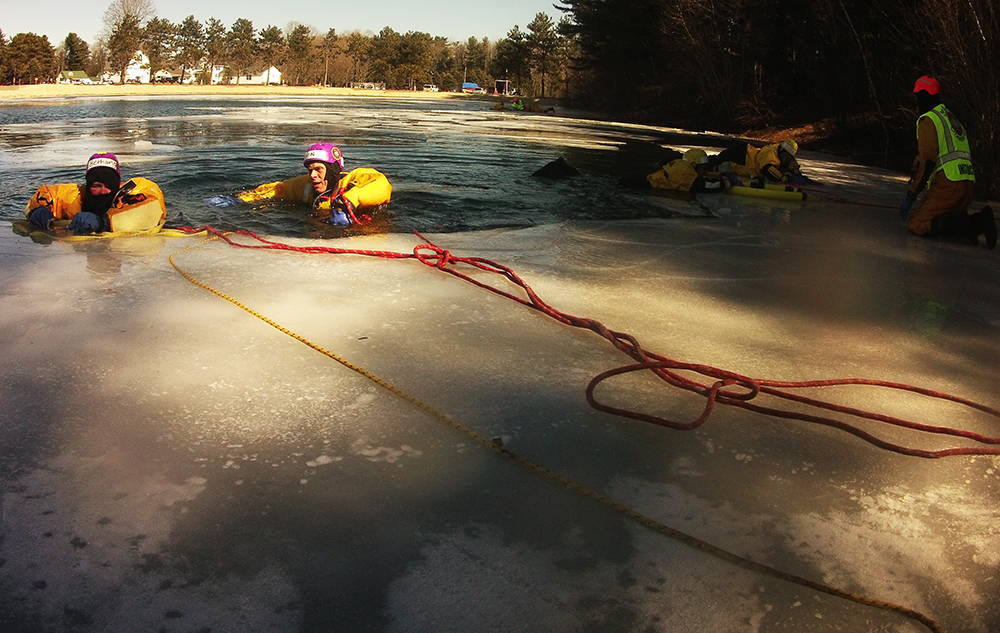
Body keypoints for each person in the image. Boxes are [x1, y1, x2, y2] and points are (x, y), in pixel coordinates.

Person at [900, 75, 995, 249]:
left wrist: (911, 194)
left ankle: (978, 223)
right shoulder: (950, 117)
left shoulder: (929, 119)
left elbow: (927, 160)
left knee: (918, 223)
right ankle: (966, 224)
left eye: (917, 97)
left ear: (922, 95)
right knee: (945, 217)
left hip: (949, 184)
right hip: (967, 184)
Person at [235, 143, 392, 226]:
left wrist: (350, 202)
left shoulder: (353, 181)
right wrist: (240, 199)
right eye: (310, 170)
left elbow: (381, 184)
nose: (312, 176)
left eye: (318, 170)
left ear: (333, 171)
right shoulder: (306, 187)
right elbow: (277, 189)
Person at [23, 153, 166, 235]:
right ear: (88, 184)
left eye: (110, 186)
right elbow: (45, 195)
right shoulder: (73, 196)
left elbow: (150, 206)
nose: (105, 191)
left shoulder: (132, 194)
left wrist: (102, 222)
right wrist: (38, 210)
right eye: (97, 186)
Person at [716, 139, 808, 186]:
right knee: (717, 163)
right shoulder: (771, 153)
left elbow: (791, 165)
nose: (786, 158)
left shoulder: (781, 154)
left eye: (788, 157)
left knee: (719, 161)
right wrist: (783, 177)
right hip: (742, 156)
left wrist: (796, 173)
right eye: (786, 156)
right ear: (782, 150)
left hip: (746, 153)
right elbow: (767, 169)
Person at [644, 148, 725, 194]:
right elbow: (702, 186)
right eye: (702, 167)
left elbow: (701, 175)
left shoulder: (679, 164)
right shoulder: (685, 171)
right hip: (645, 188)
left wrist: (719, 174)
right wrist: (725, 183)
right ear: (693, 165)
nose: (704, 170)